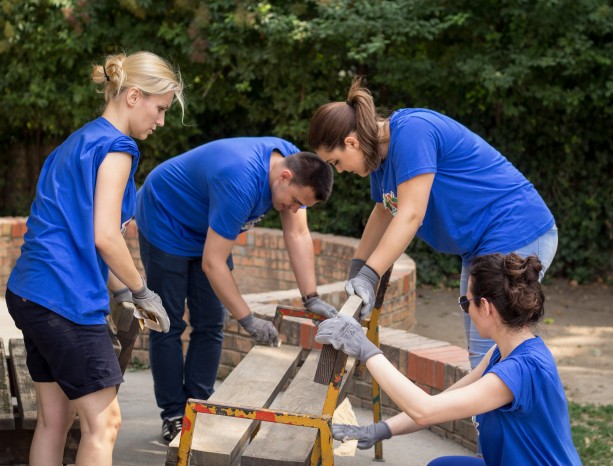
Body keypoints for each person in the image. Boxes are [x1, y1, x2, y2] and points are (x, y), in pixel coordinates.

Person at [5, 51, 183, 466]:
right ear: (134, 96)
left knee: (54, 419)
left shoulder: (76, 141)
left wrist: (120, 292)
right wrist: (141, 290)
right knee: (104, 426)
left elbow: (75, 229)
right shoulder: (118, 147)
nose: (159, 121)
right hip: (64, 300)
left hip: (30, 292)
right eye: (159, 109)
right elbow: (105, 235)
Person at [308, 78, 558, 369]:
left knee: (490, 355)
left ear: (351, 143)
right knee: (483, 356)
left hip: (515, 229)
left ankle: (514, 410)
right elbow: (384, 211)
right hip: (481, 245)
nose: (340, 170)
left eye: (336, 161)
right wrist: (358, 270)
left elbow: (410, 215)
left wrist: (370, 275)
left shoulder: (413, 131)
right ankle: (494, 412)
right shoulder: (379, 158)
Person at [134, 137, 337, 441]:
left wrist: (312, 298)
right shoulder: (240, 181)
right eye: (296, 201)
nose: (295, 210)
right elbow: (213, 264)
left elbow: (297, 233)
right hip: (167, 219)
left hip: (208, 223)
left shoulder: (297, 165)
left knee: (212, 322)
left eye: (302, 205)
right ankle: (175, 413)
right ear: (284, 177)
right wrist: (247, 319)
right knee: (168, 323)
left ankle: (199, 406)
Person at [316, 253, 582, 465]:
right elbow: (436, 406)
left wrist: (365, 349)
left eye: (467, 303)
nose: (466, 310)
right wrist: (379, 430)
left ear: (486, 307)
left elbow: (425, 411)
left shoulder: (519, 371)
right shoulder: (505, 351)